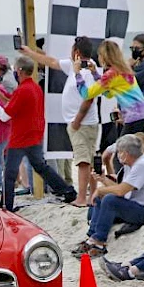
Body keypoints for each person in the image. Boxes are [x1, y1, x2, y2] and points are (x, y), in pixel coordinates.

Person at [0, 55, 77, 211]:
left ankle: (6, 205)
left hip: (21, 137)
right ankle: (67, 191)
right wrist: (1, 96)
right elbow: (18, 104)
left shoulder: (23, 90)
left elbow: (5, 115)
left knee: (10, 173)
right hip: (34, 135)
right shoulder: (34, 87)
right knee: (41, 167)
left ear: (19, 71)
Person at [21, 36, 99, 207]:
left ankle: (82, 198)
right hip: (78, 122)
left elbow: (89, 98)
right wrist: (30, 53)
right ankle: (93, 195)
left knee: (83, 161)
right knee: (88, 159)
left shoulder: (86, 71)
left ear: (77, 52)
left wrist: (77, 120)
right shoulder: (74, 66)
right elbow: (52, 62)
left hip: (82, 122)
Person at [72, 134, 144, 258]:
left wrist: (101, 191)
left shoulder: (142, 165)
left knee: (109, 198)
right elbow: (121, 188)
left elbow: (121, 191)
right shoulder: (132, 164)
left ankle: (99, 242)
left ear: (125, 153)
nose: (118, 155)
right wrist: (103, 179)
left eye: (119, 152)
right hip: (138, 205)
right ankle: (92, 236)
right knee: (105, 197)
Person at [75, 40, 144, 136]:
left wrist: (77, 74)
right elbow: (109, 94)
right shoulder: (124, 70)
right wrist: (95, 74)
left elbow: (86, 94)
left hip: (134, 117)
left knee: (124, 148)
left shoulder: (111, 75)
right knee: (137, 147)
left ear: (103, 57)